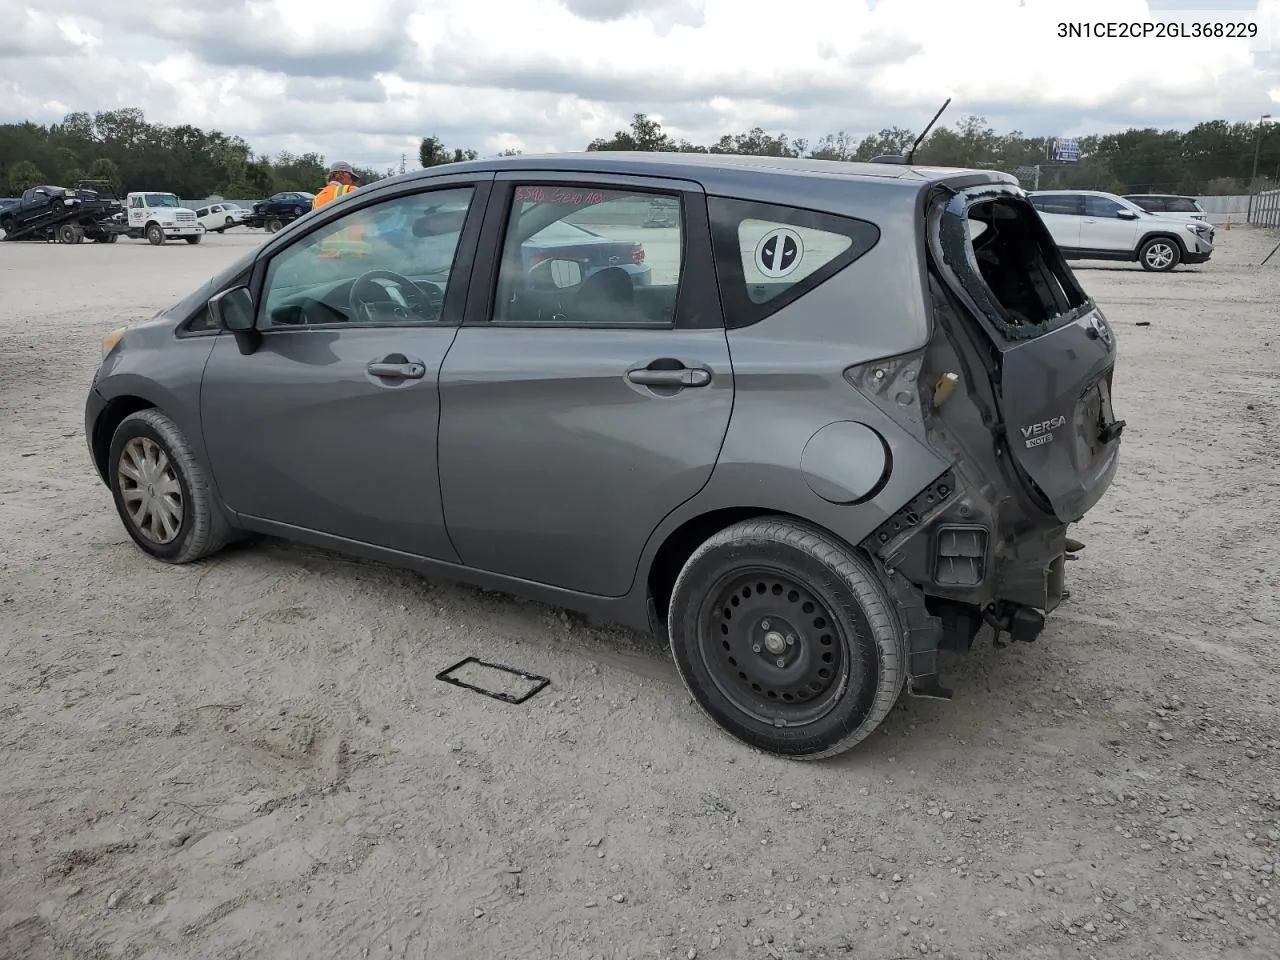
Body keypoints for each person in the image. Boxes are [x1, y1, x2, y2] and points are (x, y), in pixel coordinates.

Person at [312, 161, 370, 258]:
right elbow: (370, 212)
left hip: (327, 257)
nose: (352, 181)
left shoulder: (317, 198)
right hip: (350, 256)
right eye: (351, 177)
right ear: (343, 174)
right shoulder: (349, 191)